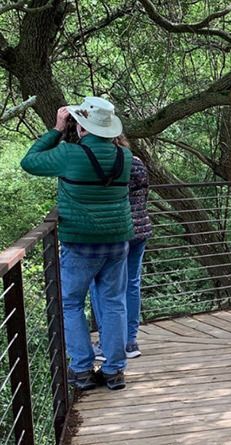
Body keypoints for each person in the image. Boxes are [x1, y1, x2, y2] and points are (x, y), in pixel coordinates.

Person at [21, 97, 132, 391]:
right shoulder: (126, 158)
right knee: (112, 304)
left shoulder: (69, 154)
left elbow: (29, 162)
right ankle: (114, 371)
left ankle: (82, 370)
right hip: (118, 241)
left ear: (81, 125)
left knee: (70, 303)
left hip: (80, 242)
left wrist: (57, 130)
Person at [91, 134, 152, 361]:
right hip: (141, 230)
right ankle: (129, 340)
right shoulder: (135, 161)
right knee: (132, 284)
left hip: (116, 232)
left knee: (100, 285)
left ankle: (108, 341)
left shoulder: (104, 165)